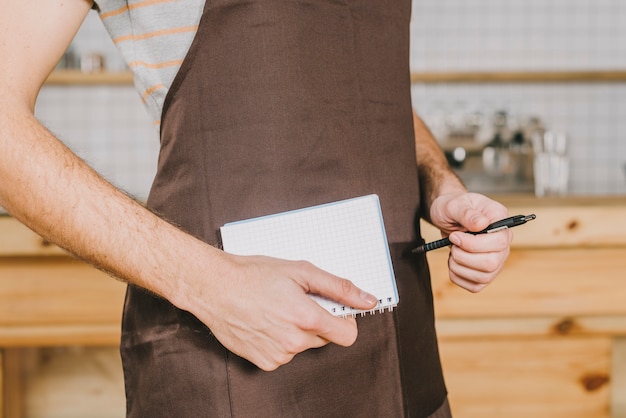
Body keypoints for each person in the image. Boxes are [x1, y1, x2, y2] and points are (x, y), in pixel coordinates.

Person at [0, 1, 512, 417]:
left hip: (402, 358)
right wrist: (209, 284)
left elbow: (373, 91)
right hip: (231, 367)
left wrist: (442, 185)